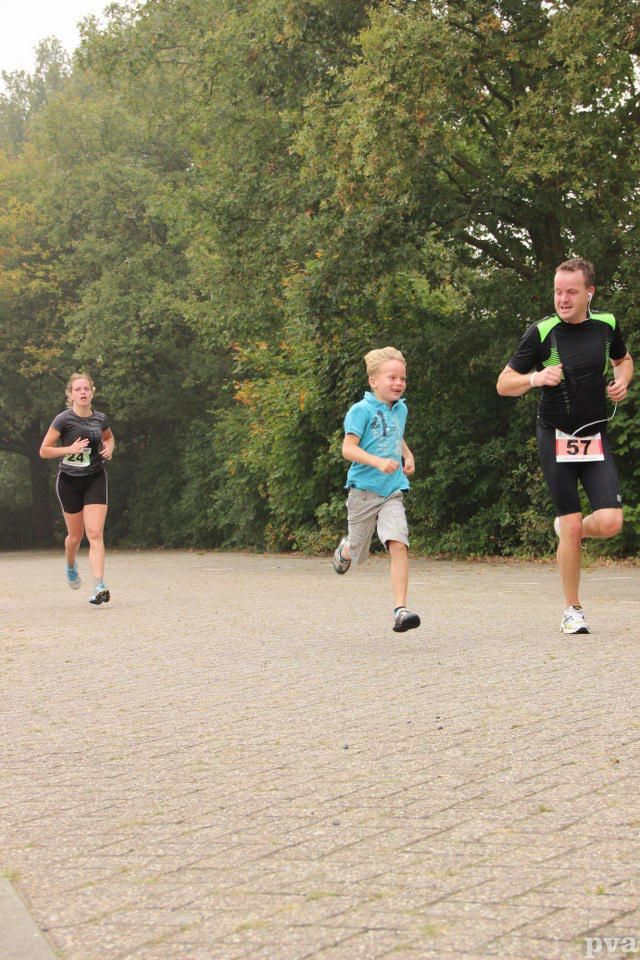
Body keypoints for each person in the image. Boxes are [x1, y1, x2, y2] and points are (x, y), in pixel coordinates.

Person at [497, 257, 634, 634]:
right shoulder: (541, 333)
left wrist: (623, 380)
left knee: (609, 522)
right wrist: (537, 377)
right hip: (556, 435)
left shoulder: (606, 325)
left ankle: (569, 532)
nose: (563, 298)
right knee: (572, 525)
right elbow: (503, 383)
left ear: (590, 292)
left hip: (594, 436)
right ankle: (572, 608)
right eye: (558, 291)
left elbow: (623, 360)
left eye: (571, 291)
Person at [332, 346, 420, 633]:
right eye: (392, 377)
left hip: (392, 491)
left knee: (399, 543)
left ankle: (400, 610)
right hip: (363, 492)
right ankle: (345, 550)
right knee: (357, 553)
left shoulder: (401, 408)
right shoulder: (361, 410)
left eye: (402, 378)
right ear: (373, 381)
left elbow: (396, 435)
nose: (398, 383)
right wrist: (378, 462)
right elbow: (348, 449)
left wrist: (407, 455)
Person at [40, 373, 115, 605]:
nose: (83, 392)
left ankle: (99, 585)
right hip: (69, 481)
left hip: (95, 478)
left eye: (86, 388)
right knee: (75, 536)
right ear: (71, 395)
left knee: (94, 533)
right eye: (78, 389)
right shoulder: (63, 420)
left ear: (92, 392)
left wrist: (110, 448)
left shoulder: (100, 419)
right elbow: (44, 450)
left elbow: (109, 438)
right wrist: (69, 449)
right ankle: (71, 565)